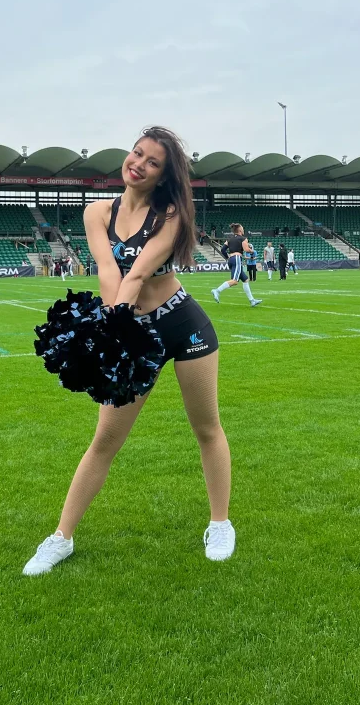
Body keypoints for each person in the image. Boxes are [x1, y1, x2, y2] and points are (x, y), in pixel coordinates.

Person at [24, 126, 234, 576]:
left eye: (152, 162)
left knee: (206, 427)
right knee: (104, 441)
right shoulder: (97, 212)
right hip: (133, 333)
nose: (138, 164)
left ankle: (220, 523)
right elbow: (108, 269)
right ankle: (61, 537)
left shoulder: (170, 215)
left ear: (163, 176)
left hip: (182, 324)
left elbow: (137, 275)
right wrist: (111, 331)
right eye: (137, 153)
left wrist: (113, 327)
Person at [211, 222, 262, 307]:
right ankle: (217, 290)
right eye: (242, 228)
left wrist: (228, 257)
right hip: (237, 258)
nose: (243, 229)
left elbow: (223, 250)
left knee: (245, 279)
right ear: (240, 230)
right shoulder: (243, 239)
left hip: (231, 259)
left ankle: (252, 300)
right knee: (234, 281)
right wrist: (252, 251)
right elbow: (246, 249)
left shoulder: (229, 239)